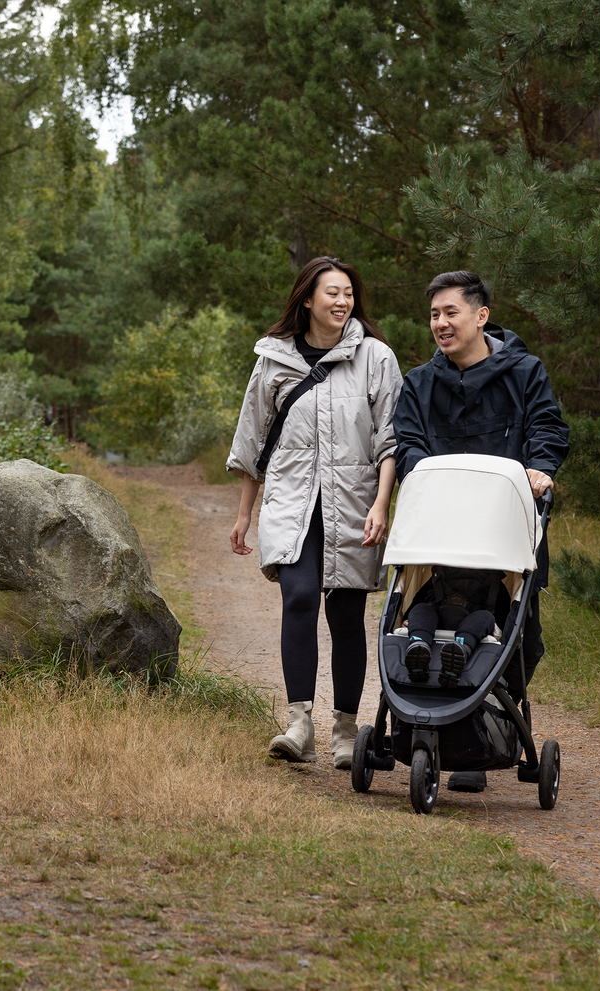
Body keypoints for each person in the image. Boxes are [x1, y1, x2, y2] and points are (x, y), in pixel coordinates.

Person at [393, 270, 570, 791]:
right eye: (434, 315)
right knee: (426, 616)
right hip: (438, 533)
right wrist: (422, 473)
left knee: (522, 641)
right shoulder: (420, 383)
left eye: (451, 312)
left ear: (481, 316)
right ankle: (438, 728)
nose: (440, 323)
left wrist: (541, 469)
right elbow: (407, 443)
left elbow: (547, 427)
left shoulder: (524, 372)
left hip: (506, 532)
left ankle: (483, 727)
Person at [227, 257, 402, 769]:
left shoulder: (375, 357)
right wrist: (244, 515)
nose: (342, 301)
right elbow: (253, 439)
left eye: (348, 293)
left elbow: (390, 439)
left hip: (354, 503)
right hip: (292, 500)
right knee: (299, 597)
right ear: (307, 299)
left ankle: (345, 730)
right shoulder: (274, 359)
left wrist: (381, 503)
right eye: (332, 293)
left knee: (346, 614)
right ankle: (299, 724)